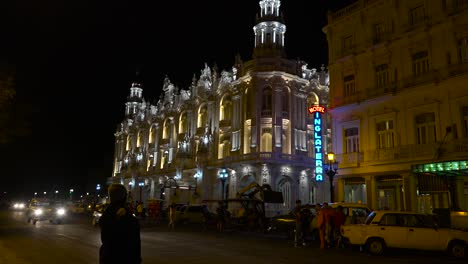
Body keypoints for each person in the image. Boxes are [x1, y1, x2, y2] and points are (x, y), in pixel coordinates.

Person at [99, 183, 141, 264]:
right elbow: (135, 245)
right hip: (124, 258)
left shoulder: (106, 215)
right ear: (124, 197)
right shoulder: (129, 218)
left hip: (107, 257)